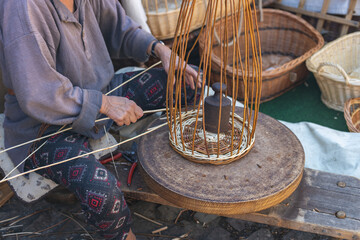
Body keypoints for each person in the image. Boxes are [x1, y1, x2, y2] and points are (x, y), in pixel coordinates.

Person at [0, 0, 201, 239]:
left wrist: (160, 49)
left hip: (102, 95)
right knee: (103, 192)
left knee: (187, 84)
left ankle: (189, 164)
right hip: (44, 127)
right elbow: (38, 94)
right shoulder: (22, 7)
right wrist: (104, 105)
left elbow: (119, 27)